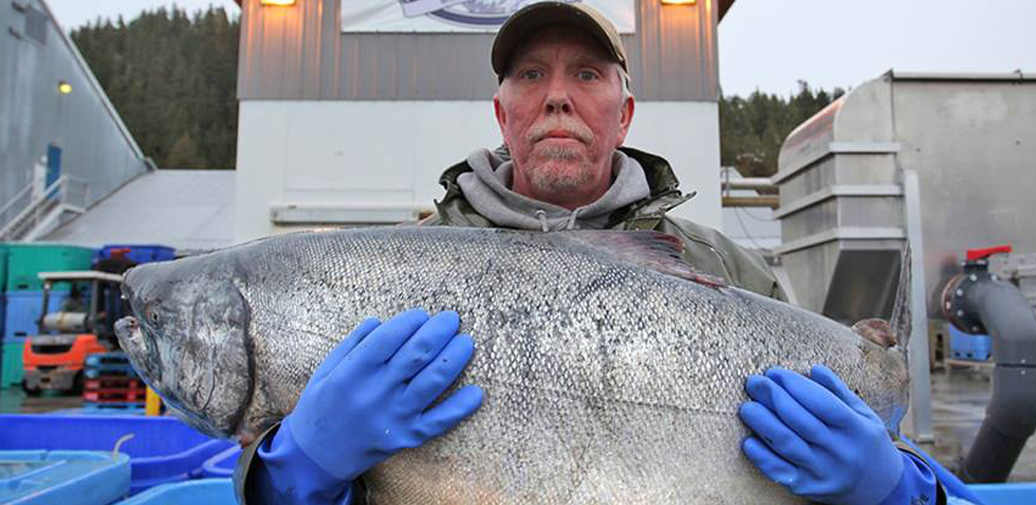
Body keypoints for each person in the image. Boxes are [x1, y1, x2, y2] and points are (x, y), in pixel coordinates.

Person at [235, 3, 978, 504]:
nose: (557, 96)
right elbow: (282, 475)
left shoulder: (722, 268)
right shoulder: (404, 266)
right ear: (504, 113)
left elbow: (844, 421)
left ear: (622, 113)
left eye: (586, 74)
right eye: (532, 75)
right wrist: (292, 471)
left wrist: (894, 487)